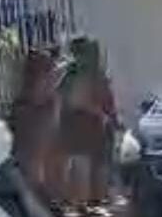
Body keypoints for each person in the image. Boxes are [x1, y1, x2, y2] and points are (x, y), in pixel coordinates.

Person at [57, 38, 117, 213]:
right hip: (85, 129)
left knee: (92, 166)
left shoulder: (73, 74)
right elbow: (74, 101)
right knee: (87, 166)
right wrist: (101, 114)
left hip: (89, 129)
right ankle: (88, 204)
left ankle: (91, 203)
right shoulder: (77, 74)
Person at [9, 49, 60, 196]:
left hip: (39, 183)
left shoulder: (51, 104)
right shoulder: (23, 110)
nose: (52, 81)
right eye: (48, 75)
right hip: (28, 181)